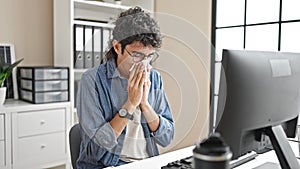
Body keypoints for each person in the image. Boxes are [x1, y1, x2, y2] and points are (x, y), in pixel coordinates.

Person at [76, 6, 174, 168]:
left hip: (148, 162)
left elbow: (166, 138)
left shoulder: (154, 78)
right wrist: (130, 104)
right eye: (137, 55)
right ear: (117, 47)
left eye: (150, 56)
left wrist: (145, 105)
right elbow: (95, 151)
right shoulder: (91, 80)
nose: (144, 64)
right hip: (110, 165)